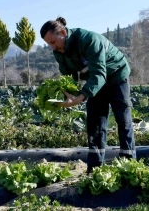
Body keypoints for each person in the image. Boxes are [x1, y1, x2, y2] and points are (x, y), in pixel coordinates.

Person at [40, 17, 136, 173]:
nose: (52, 47)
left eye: (52, 42)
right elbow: (68, 77)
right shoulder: (59, 51)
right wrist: (68, 94)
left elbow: (99, 73)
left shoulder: (89, 39)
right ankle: (94, 167)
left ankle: (129, 165)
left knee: (123, 118)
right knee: (95, 121)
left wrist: (81, 96)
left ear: (63, 33)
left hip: (116, 75)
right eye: (49, 44)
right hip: (94, 80)